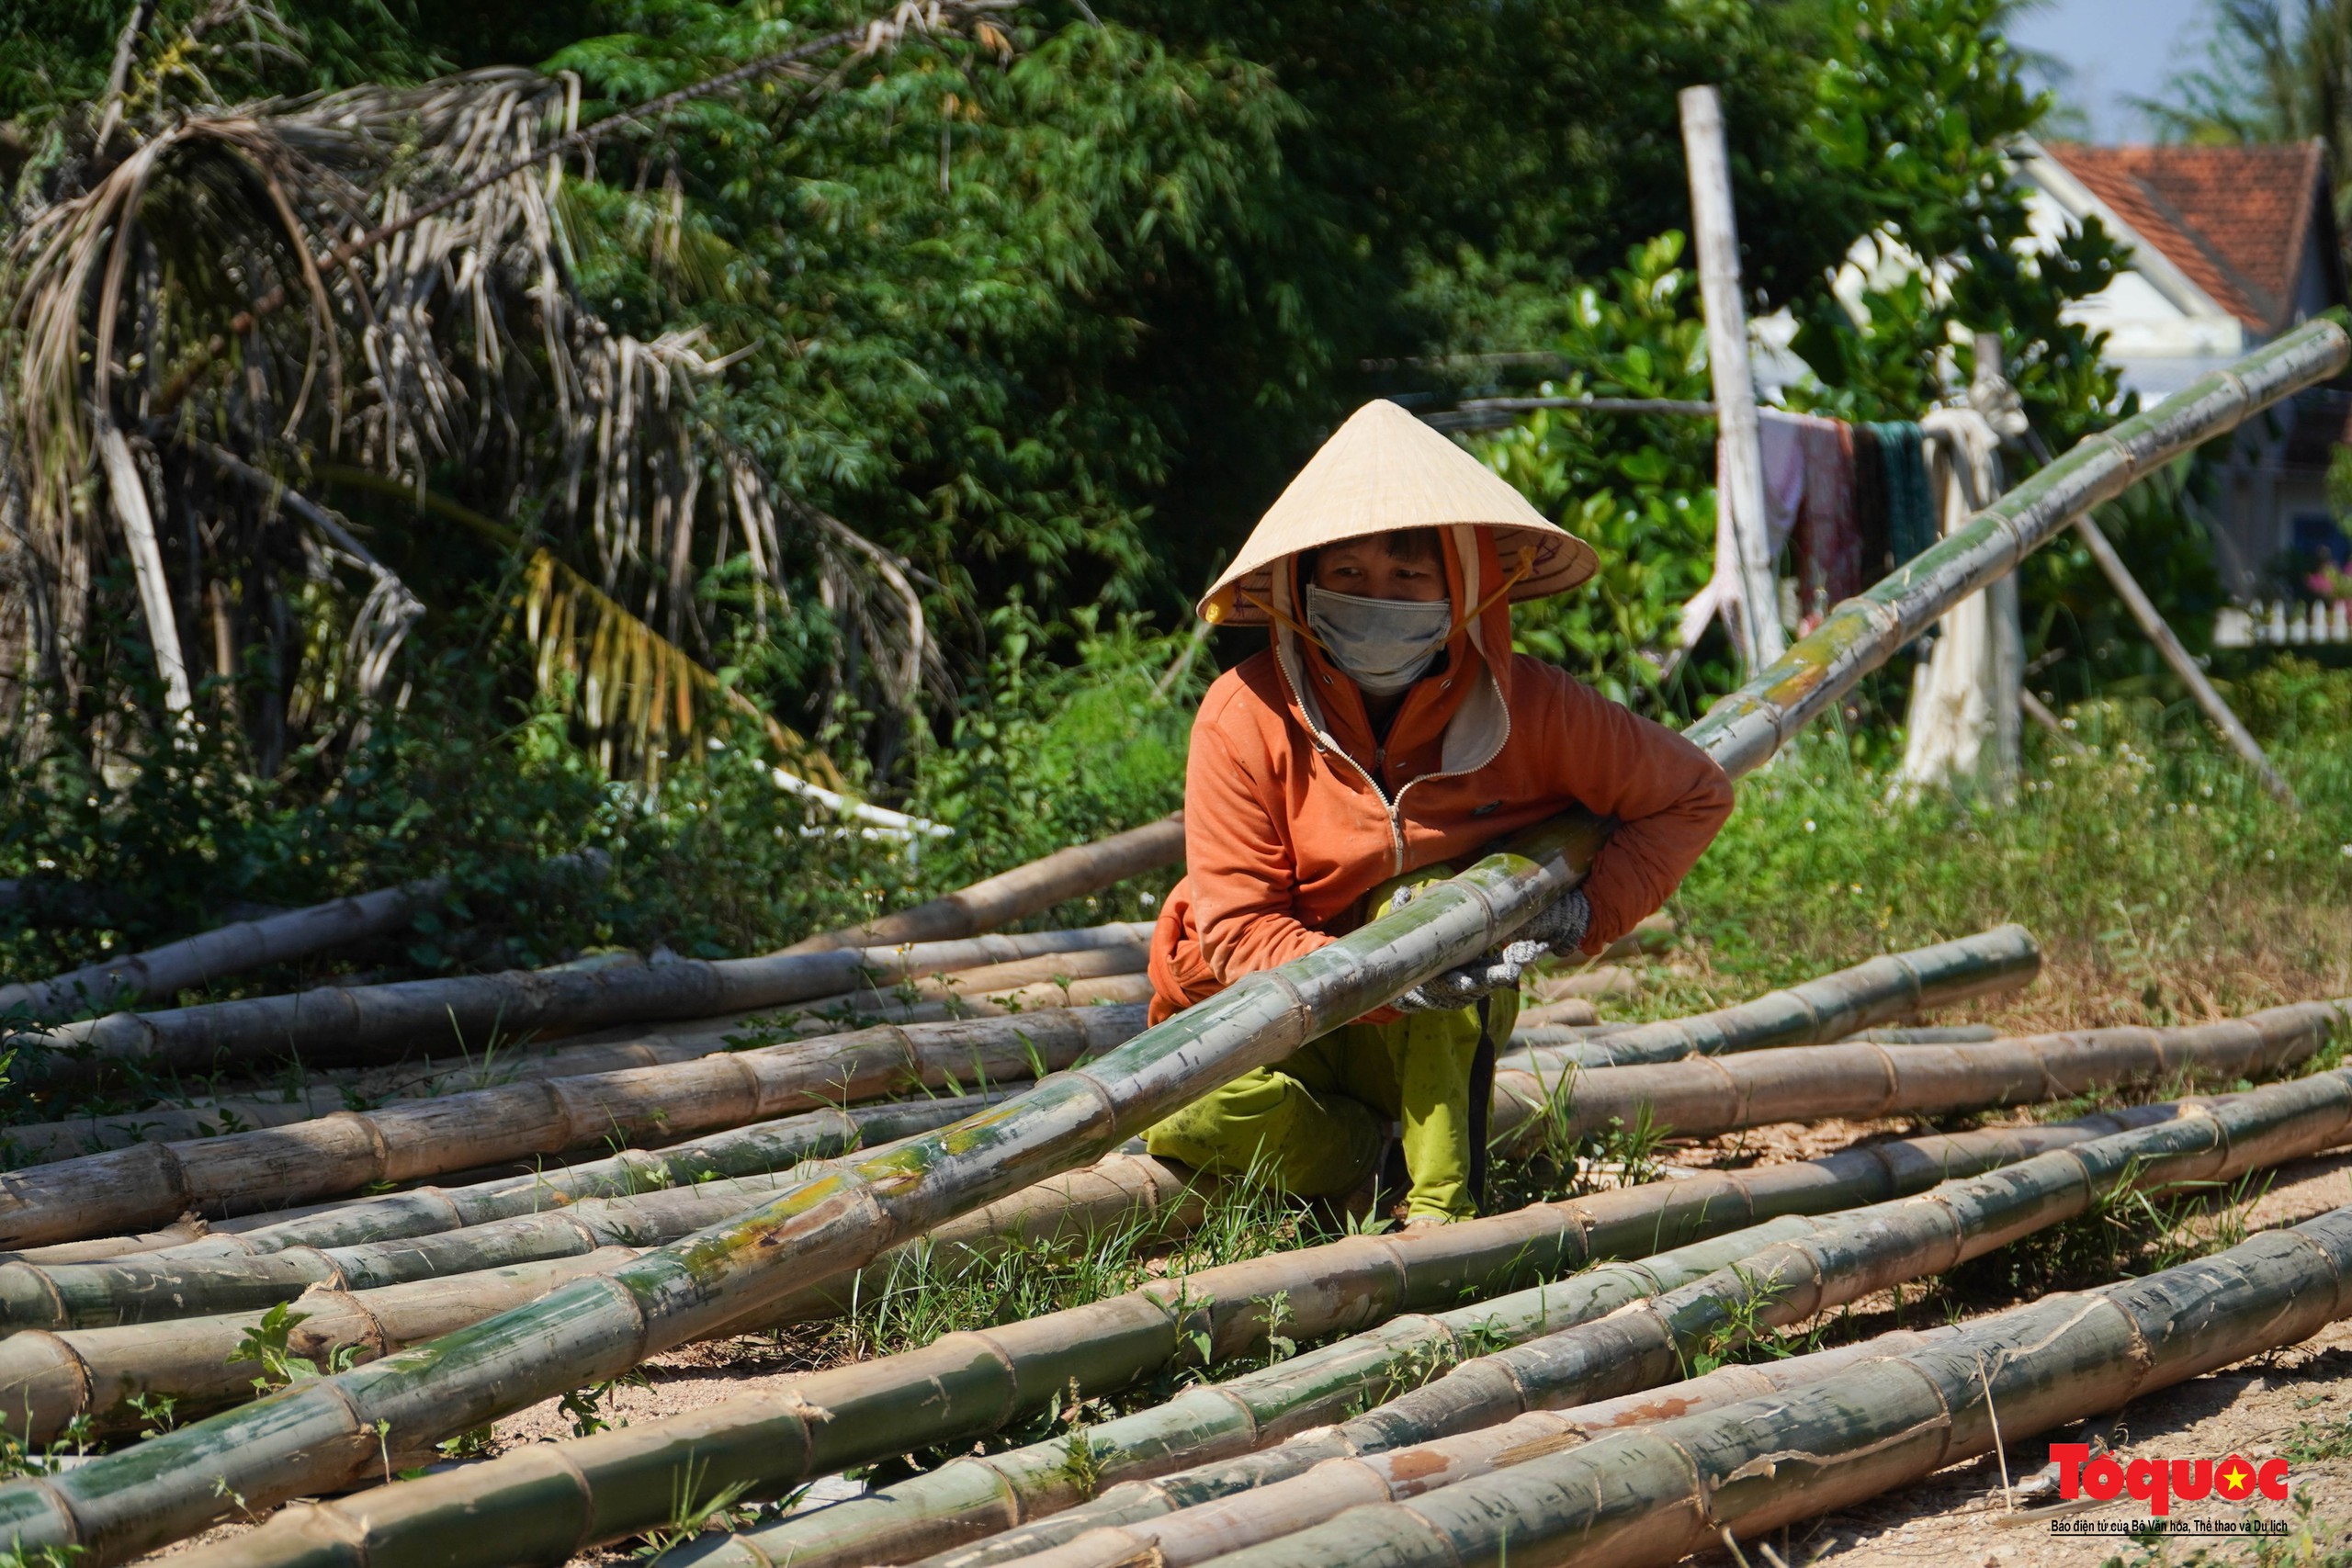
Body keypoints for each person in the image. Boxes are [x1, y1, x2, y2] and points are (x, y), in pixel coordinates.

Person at [1143, 400, 1736, 1226]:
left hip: (1442, 1024)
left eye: (1409, 577)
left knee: (1418, 909)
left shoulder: (1533, 707)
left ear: (1459, 588)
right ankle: (1359, 1155)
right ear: (1303, 586)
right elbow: (1241, 930)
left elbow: (1691, 792)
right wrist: (1378, 982)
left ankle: (1441, 1212)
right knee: (1181, 1118)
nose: (1377, 597)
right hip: (1273, 1021)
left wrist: (1586, 911)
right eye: (1348, 575)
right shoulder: (1241, 715)